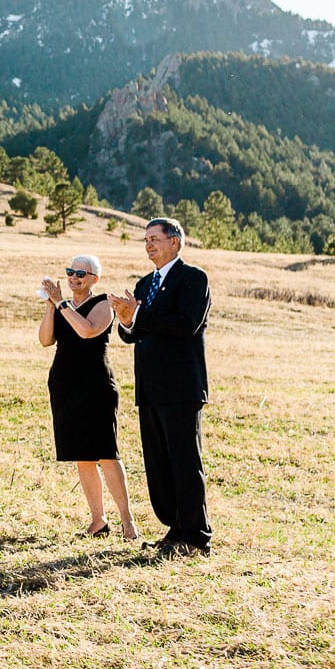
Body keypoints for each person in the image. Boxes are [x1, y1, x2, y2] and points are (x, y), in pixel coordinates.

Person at [108, 217, 213, 557]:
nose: (149, 245)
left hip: (181, 387)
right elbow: (132, 334)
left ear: (175, 243)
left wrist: (139, 314)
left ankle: (196, 537)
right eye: (146, 239)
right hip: (150, 387)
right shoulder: (143, 284)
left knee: (184, 461)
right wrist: (126, 319)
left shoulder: (193, 279)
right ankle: (175, 529)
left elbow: (186, 325)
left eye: (155, 238)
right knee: (159, 463)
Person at [39, 255, 139, 541]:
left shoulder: (103, 305)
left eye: (81, 273)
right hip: (65, 384)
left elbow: (87, 330)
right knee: (81, 455)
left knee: (107, 453)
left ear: (95, 279)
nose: (74, 277)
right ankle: (98, 520)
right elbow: (46, 340)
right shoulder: (61, 306)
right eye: (70, 271)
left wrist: (61, 303)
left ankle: (127, 521)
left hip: (96, 385)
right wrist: (50, 307)